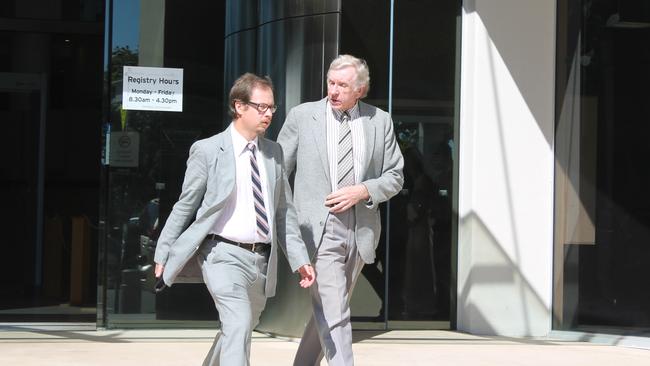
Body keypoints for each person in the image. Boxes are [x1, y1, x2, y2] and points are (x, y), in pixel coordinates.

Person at [153, 73, 316, 366]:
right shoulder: (207, 150)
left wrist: (300, 259)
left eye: (271, 108)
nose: (268, 114)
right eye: (261, 107)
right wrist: (163, 250)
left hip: (261, 262)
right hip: (221, 255)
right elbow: (185, 206)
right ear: (239, 106)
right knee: (239, 324)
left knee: (238, 329)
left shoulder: (274, 153)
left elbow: (284, 213)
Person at [278, 54, 404, 366]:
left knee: (331, 305)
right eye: (331, 83)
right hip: (318, 227)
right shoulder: (303, 116)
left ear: (360, 90)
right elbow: (278, 171)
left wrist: (364, 190)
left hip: (361, 229)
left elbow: (395, 176)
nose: (333, 91)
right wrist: (289, 219)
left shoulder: (380, 120)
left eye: (343, 85)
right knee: (335, 309)